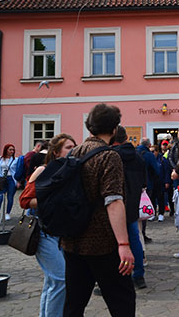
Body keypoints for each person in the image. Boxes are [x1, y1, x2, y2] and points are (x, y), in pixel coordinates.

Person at [61, 103, 135, 316]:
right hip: (102, 243)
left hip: (72, 240)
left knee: (74, 303)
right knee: (122, 301)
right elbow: (113, 201)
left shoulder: (74, 152)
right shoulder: (109, 156)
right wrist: (123, 243)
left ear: (90, 127)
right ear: (114, 129)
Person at [19, 133, 77, 316]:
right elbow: (24, 200)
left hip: (61, 234)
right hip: (44, 233)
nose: (73, 150)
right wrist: (52, 200)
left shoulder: (68, 171)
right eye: (69, 147)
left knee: (52, 282)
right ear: (56, 151)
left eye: (74, 147)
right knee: (61, 280)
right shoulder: (43, 170)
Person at [113, 126, 148, 290]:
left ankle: (118, 277)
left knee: (116, 243)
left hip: (116, 204)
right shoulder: (138, 156)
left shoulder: (112, 156)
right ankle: (139, 275)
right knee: (134, 240)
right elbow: (143, 181)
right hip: (133, 203)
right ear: (127, 137)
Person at [0, 143, 19, 221]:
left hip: (11, 179)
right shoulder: (0, 158)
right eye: (10, 149)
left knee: (10, 197)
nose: (12, 151)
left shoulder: (15, 160)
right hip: (1, 179)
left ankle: (7, 213)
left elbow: (18, 170)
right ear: (6, 150)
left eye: (13, 150)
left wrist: (18, 181)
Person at [137, 138, 161, 224]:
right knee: (144, 205)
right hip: (147, 183)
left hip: (133, 183)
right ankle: (143, 230)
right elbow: (156, 170)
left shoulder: (134, 153)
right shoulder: (149, 155)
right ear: (149, 145)